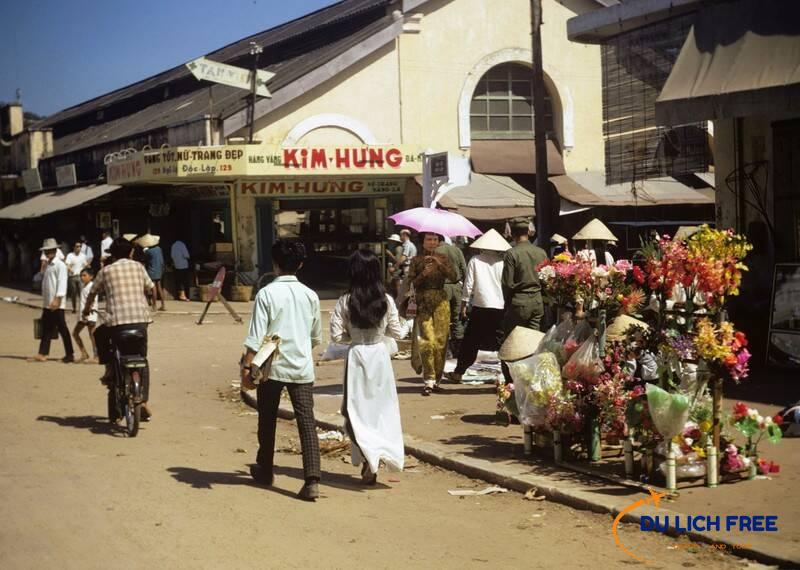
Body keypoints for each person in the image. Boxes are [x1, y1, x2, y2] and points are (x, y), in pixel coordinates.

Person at [240, 240, 322, 501]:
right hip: (302, 367)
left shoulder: (266, 294)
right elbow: (315, 337)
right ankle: (312, 480)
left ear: (275, 264)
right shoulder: (310, 295)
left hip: (271, 367)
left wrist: (246, 366)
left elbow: (255, 337)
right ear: (300, 264)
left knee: (267, 418)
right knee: (306, 422)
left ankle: (265, 468)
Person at [330, 249, 405, 484]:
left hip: (357, 358)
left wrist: (354, 338)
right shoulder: (387, 300)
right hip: (380, 358)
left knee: (353, 411)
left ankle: (366, 457)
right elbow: (398, 332)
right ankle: (377, 455)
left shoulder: (345, 300)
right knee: (381, 412)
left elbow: (336, 336)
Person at [84, 237, 154, 418]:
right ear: (131, 252)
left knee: (99, 333)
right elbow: (151, 287)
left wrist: (86, 309)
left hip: (116, 324)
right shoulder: (139, 267)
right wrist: (149, 304)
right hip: (140, 321)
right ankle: (143, 400)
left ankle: (108, 368)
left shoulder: (106, 271)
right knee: (142, 359)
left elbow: (92, 293)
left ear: (113, 254)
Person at [446, 229, 509, 384]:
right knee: (503, 343)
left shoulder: (475, 260)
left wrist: (463, 305)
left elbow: (468, 285)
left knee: (471, 341)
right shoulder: (504, 262)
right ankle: (509, 378)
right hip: (500, 306)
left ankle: (459, 372)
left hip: (481, 306)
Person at [408, 232, 456, 395]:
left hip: (441, 301)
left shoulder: (443, 258)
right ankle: (428, 379)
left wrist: (439, 264)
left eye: (435, 239)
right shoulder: (416, 260)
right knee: (427, 341)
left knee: (441, 341)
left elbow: (454, 276)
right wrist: (424, 274)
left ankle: (437, 379)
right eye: (429, 239)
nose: (432, 242)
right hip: (423, 303)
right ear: (422, 242)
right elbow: (411, 284)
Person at [28, 238, 75, 363]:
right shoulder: (49, 265)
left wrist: (57, 299)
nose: (49, 252)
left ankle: (69, 354)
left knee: (62, 328)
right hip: (48, 302)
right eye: (47, 251)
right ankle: (42, 353)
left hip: (56, 302)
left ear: (55, 250)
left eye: (51, 250)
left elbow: (62, 283)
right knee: (47, 327)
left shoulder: (60, 265)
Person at [501, 218, 548, 336]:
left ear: (512, 234)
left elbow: (507, 283)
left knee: (514, 341)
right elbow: (547, 279)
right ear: (528, 232)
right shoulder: (541, 252)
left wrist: (507, 304)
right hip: (537, 301)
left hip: (519, 302)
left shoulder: (511, 253)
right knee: (533, 339)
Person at [435, 236, 467, 358]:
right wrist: (463, 287)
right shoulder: (457, 250)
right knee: (457, 319)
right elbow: (464, 269)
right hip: (457, 288)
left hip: (443, 288)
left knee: (442, 319)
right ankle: (458, 351)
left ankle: (445, 351)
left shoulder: (436, 252)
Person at [73, 267, 98, 363]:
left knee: (92, 335)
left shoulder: (92, 286)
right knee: (75, 333)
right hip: (84, 315)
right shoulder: (84, 286)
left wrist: (87, 313)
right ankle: (84, 353)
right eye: (81, 275)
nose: (82, 277)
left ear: (91, 277)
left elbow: (92, 300)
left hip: (89, 314)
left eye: (84, 275)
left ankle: (96, 356)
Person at [140, 234, 166, 311]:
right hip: (159, 270)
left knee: (153, 288)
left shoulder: (148, 251)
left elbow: (145, 260)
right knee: (159, 287)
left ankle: (154, 305)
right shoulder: (159, 249)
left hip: (152, 270)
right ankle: (163, 305)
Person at [392, 229, 417, 302]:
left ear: (405, 235)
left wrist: (396, 266)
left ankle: (403, 303)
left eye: (401, 235)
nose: (400, 237)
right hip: (408, 268)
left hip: (408, 268)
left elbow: (404, 257)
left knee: (406, 287)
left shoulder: (408, 245)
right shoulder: (408, 244)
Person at [65, 241, 88, 313]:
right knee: (73, 293)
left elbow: (85, 265)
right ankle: (74, 308)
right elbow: (67, 265)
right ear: (74, 247)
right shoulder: (70, 255)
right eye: (77, 246)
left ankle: (82, 308)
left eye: (80, 246)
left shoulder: (83, 256)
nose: (79, 248)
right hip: (72, 277)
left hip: (81, 277)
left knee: (82, 292)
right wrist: (70, 269)